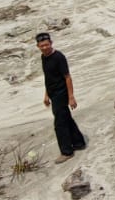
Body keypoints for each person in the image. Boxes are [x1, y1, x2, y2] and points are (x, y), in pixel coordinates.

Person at [36, 33, 86, 164]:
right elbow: (48, 78)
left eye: (47, 44)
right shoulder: (44, 57)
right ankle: (79, 142)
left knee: (59, 124)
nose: (45, 47)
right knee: (65, 118)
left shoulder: (59, 57)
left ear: (51, 43)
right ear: (38, 46)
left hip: (61, 93)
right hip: (53, 93)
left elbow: (67, 77)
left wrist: (71, 97)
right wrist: (46, 95)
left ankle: (66, 151)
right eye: (42, 46)